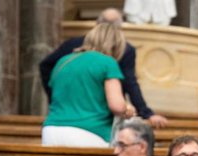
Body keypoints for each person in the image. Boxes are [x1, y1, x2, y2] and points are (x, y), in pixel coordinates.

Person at [40, 8, 168, 129]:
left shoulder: (68, 54)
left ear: (97, 23)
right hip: (92, 124)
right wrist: (136, 110)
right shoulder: (109, 62)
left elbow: (45, 66)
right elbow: (124, 93)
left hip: (54, 124)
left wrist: (55, 97)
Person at [42, 22, 132, 147]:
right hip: (89, 131)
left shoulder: (62, 61)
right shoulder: (107, 63)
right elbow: (117, 106)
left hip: (52, 130)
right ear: (116, 46)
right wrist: (128, 109)